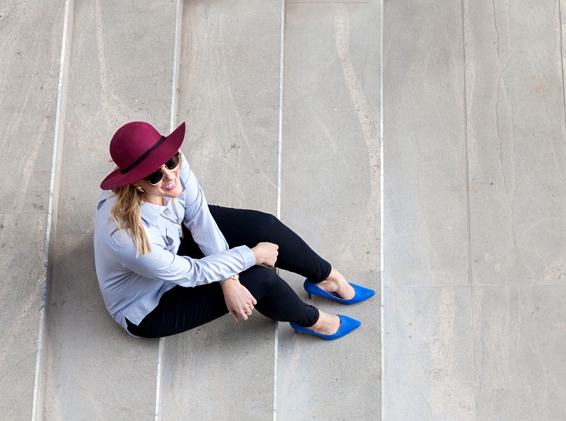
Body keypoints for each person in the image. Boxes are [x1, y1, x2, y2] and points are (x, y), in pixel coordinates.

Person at [93, 121, 373, 340]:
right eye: (155, 175)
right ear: (135, 183)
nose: (169, 175)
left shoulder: (170, 164)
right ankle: (314, 322)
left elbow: (199, 217)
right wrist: (252, 256)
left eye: (171, 161)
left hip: (174, 242)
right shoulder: (127, 239)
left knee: (265, 227)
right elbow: (191, 273)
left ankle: (326, 278)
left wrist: (228, 279)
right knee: (260, 280)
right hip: (149, 303)